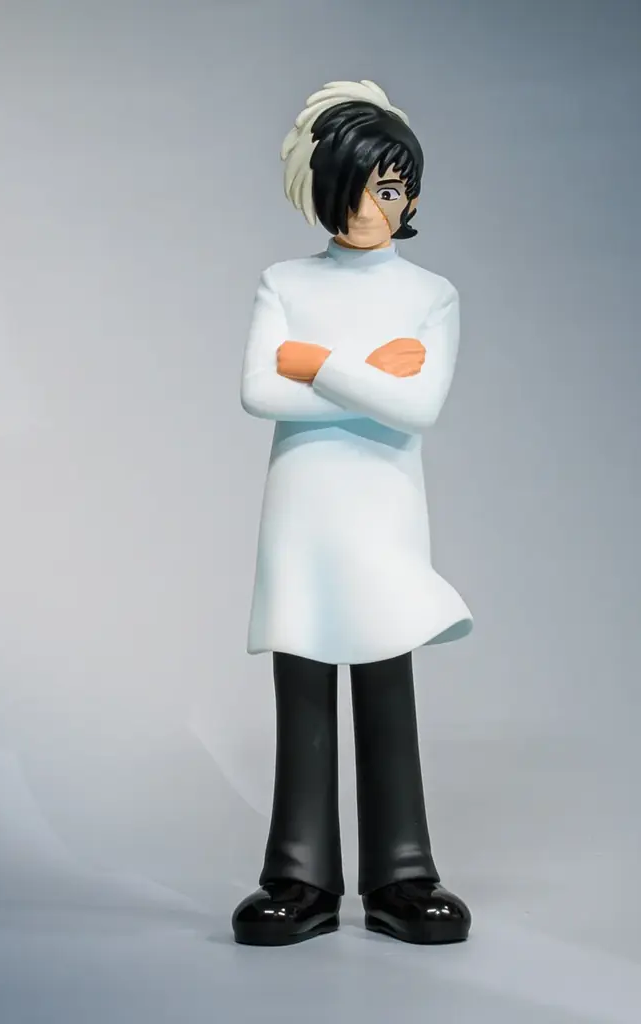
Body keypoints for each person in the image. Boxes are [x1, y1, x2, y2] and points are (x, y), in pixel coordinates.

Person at [232, 80, 473, 946]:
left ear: (413, 196)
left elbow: (419, 408)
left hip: (382, 518)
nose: (376, 207)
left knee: (384, 678)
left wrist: (315, 362)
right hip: (301, 516)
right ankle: (298, 874)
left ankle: (402, 871)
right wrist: (371, 371)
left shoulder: (431, 295)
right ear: (321, 190)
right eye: (360, 187)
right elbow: (259, 392)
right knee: (301, 685)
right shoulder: (284, 281)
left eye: (393, 188)